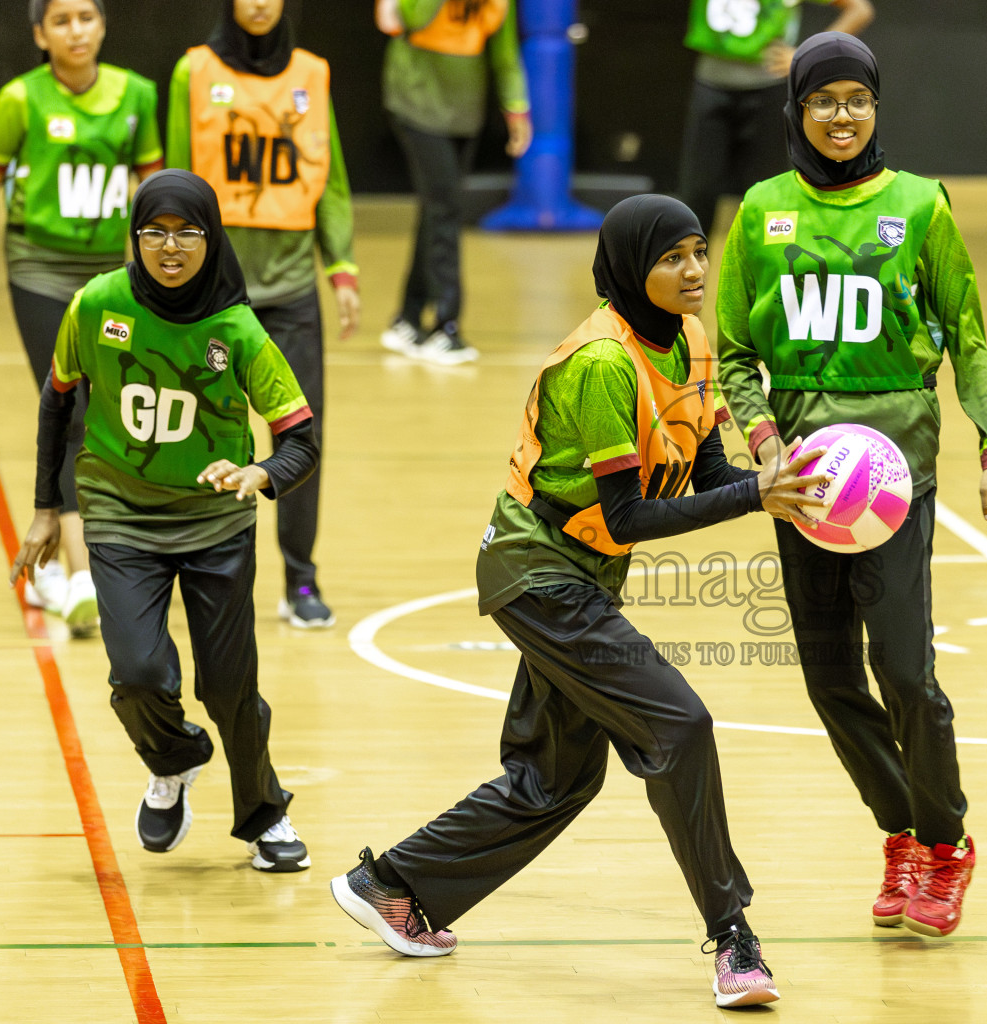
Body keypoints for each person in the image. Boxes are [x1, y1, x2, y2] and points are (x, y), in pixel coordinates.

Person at [331, 195, 828, 1008]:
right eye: (672, 258)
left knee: (554, 780)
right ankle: (734, 937)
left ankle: (391, 884)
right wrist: (753, 500)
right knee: (680, 724)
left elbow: (706, 478)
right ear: (633, 268)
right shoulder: (603, 362)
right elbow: (629, 514)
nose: (695, 270)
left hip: (580, 576)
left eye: (699, 251)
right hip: (538, 573)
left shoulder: (692, 342)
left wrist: (782, 487)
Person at [716, 33, 987, 938]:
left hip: (896, 477)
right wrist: (767, 445)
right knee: (828, 680)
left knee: (905, 672)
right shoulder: (765, 210)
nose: (843, 116)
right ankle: (901, 831)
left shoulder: (921, 207)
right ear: (797, 111)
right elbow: (735, 353)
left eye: (858, 99)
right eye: (825, 100)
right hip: (804, 485)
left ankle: (947, 842)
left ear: (876, 108)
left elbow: (966, 335)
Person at [9, 170, 320, 873]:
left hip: (216, 524)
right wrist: (44, 510)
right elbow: (57, 403)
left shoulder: (237, 330)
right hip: (121, 516)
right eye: (156, 232)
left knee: (228, 685)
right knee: (140, 671)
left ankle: (264, 816)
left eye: (188, 233)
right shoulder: (97, 305)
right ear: (135, 236)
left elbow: (301, 433)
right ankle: (174, 760)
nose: (170, 247)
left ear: (212, 238)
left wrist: (262, 473)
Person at [0, 0, 163, 636]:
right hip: (39, 275)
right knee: (71, 413)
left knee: (120, 421)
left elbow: (154, 200)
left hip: (111, 280)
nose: (75, 30)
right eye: (61, 20)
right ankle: (82, 578)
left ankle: (96, 562)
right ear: (39, 35)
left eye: (86, 17)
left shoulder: (136, 95)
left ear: (104, 25)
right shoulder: (20, 100)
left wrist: (156, 291)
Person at [167, 0, 358, 628]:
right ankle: (185, 567)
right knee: (196, 434)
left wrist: (343, 268)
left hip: (293, 290)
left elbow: (328, 180)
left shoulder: (313, 73)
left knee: (301, 436)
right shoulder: (192, 71)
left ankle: (301, 581)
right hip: (213, 298)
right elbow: (167, 185)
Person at [374, 0, 532, 364]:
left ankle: (408, 319)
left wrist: (517, 109)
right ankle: (446, 327)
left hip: (464, 112)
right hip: (415, 103)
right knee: (445, 207)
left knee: (436, 208)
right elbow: (411, 16)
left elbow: (505, 55)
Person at [677, 0, 873, 236]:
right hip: (709, 86)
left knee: (767, 193)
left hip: (769, 91)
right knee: (697, 192)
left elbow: (860, 9)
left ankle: (767, 269)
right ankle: (688, 268)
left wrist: (809, 55)